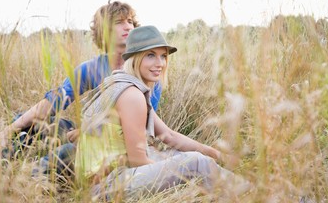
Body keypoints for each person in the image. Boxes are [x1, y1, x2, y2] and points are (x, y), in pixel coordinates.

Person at [75, 25, 252, 201]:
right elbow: (138, 160)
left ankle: (238, 188)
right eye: (150, 55)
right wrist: (179, 175)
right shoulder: (131, 95)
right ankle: (251, 195)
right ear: (135, 58)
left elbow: (168, 135)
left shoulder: (121, 84)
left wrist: (217, 155)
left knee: (182, 157)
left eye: (163, 56)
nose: (159, 63)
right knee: (195, 163)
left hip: (109, 177)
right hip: (106, 188)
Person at [0, 0, 163, 175]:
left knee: (67, 152)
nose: (128, 27)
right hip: (85, 134)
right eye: (119, 22)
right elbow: (54, 102)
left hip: (114, 147)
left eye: (130, 21)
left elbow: (139, 126)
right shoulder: (91, 68)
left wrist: (87, 131)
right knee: (31, 122)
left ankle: (27, 179)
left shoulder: (148, 70)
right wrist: (8, 130)